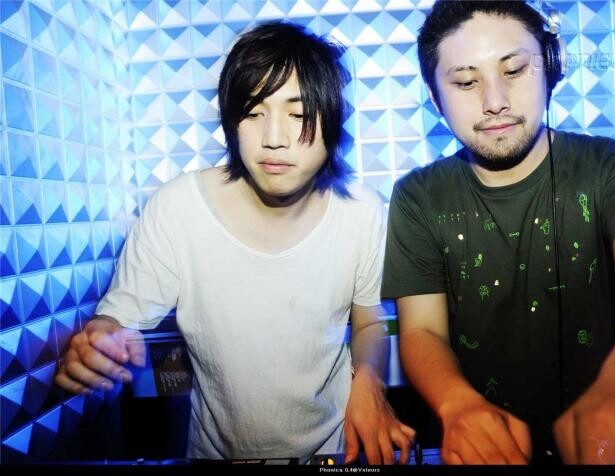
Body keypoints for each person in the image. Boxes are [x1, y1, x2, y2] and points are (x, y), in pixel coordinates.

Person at [54, 21, 415, 465]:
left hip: (335, 451)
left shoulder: (362, 210)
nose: (274, 138)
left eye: (299, 114)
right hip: (217, 456)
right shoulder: (178, 208)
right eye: (253, 112)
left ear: (333, 121)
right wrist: (99, 343)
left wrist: (369, 383)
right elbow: (116, 322)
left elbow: (369, 321)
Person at [382, 0, 615, 465]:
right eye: (466, 82)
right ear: (435, 98)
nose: (494, 101)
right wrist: (456, 404)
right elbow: (422, 330)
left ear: (551, 68)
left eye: (514, 70)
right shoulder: (417, 196)